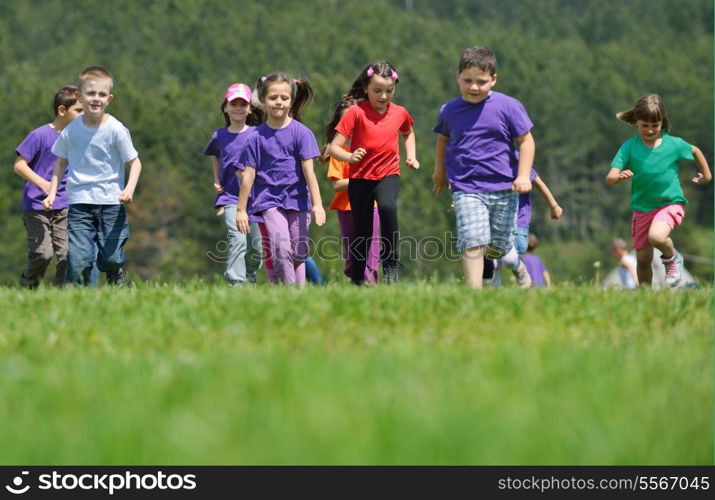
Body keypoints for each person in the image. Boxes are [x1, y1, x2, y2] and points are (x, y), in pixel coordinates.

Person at [432, 45, 535, 289]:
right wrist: (440, 172)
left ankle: (517, 265)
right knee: (472, 239)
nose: (474, 87)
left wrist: (523, 176)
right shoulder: (449, 110)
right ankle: (473, 292)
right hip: (466, 186)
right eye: (467, 81)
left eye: (481, 81)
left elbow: (526, 141)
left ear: (494, 79)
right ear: (457, 77)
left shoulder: (508, 106)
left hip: (504, 186)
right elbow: (442, 140)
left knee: (498, 246)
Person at [43, 66, 142, 286]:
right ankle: (80, 300)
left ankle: (116, 272)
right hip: (79, 204)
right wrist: (52, 193)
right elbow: (60, 163)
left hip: (111, 203)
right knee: (78, 260)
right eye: (90, 93)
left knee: (110, 258)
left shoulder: (116, 129)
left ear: (110, 98)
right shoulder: (71, 130)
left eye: (102, 94)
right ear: (79, 96)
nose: (96, 99)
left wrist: (129, 189)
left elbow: (135, 162)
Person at [327, 60, 419, 285]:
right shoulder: (356, 112)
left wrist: (411, 155)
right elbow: (334, 147)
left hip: (388, 174)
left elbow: (408, 133)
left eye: (389, 90)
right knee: (363, 230)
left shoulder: (400, 113)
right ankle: (357, 279)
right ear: (366, 87)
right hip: (360, 179)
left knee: (388, 209)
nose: (384, 96)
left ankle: (391, 273)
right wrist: (350, 158)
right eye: (377, 90)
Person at [606, 94, 711, 287]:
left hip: (670, 203)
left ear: (662, 123)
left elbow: (695, 151)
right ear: (636, 122)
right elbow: (610, 177)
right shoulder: (629, 147)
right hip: (642, 209)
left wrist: (707, 175)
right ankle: (645, 295)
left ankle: (672, 257)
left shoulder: (673, 144)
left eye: (655, 125)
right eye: (645, 125)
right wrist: (618, 177)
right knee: (643, 259)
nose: (650, 130)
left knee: (656, 237)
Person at [236, 72, 325, 287]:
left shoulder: (302, 133)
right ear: (263, 101)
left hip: (298, 201)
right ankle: (291, 293)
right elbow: (248, 175)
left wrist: (318, 204)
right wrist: (241, 210)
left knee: (298, 252)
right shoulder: (255, 138)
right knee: (280, 247)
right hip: (269, 202)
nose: (278, 102)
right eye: (273, 97)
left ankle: (299, 293)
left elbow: (308, 171)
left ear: (291, 101)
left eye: (284, 98)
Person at [13, 86, 84, 288]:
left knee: (67, 255)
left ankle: (61, 295)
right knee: (42, 254)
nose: (82, 116)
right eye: (78, 111)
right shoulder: (39, 135)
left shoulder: (78, 139)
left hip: (64, 205)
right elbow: (19, 165)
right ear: (62, 110)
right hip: (36, 207)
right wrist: (43, 184)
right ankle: (28, 287)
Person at [205, 82, 263, 287]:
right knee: (237, 238)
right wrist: (216, 179)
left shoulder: (257, 134)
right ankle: (236, 283)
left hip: (255, 200)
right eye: (233, 104)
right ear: (225, 107)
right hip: (230, 197)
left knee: (256, 247)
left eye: (243, 104)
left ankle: (250, 276)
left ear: (250, 108)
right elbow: (216, 157)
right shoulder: (219, 136)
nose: (238, 108)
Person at [321, 98, 380, 284]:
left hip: (373, 206)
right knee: (354, 256)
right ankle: (359, 281)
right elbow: (337, 185)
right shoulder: (339, 152)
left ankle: (371, 287)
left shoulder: (373, 147)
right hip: (347, 209)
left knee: (372, 255)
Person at [486, 172, 563, 285]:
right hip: (497, 219)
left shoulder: (520, 163)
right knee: (494, 259)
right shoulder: (491, 164)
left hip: (519, 219)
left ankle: (519, 267)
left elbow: (540, 184)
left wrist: (554, 206)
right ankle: (493, 288)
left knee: (515, 253)